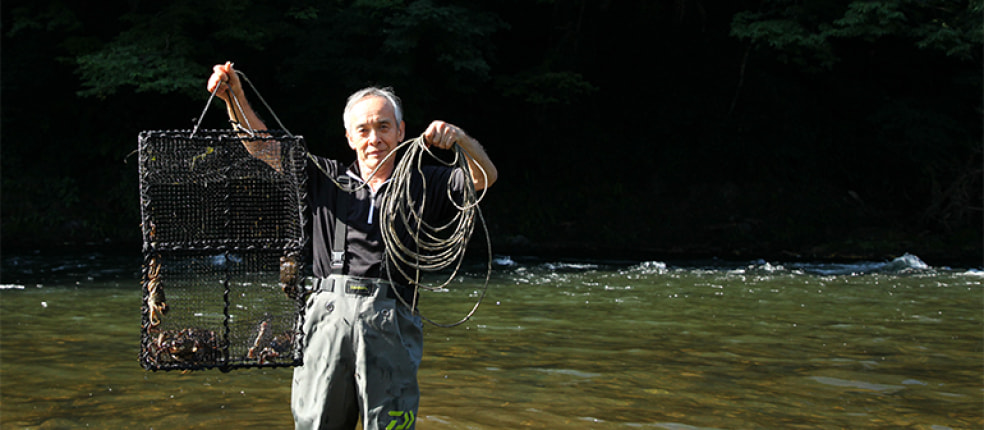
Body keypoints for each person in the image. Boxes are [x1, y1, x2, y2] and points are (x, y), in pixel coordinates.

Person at [207, 61, 498, 430]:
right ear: (349, 137)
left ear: (401, 131)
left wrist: (459, 139)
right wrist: (233, 94)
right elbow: (261, 146)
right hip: (325, 322)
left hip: (392, 320)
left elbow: (484, 177)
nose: (373, 138)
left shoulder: (427, 182)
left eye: (383, 127)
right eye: (363, 130)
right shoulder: (323, 177)